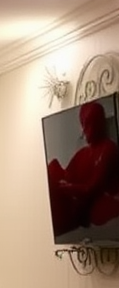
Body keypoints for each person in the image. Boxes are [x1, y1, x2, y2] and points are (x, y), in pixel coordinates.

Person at [48, 100, 119, 234]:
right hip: (79, 203)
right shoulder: (83, 153)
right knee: (52, 166)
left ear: (99, 123)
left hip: (95, 205)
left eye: (89, 122)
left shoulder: (108, 148)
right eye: (84, 124)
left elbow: (92, 189)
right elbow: (67, 175)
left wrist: (68, 188)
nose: (85, 129)